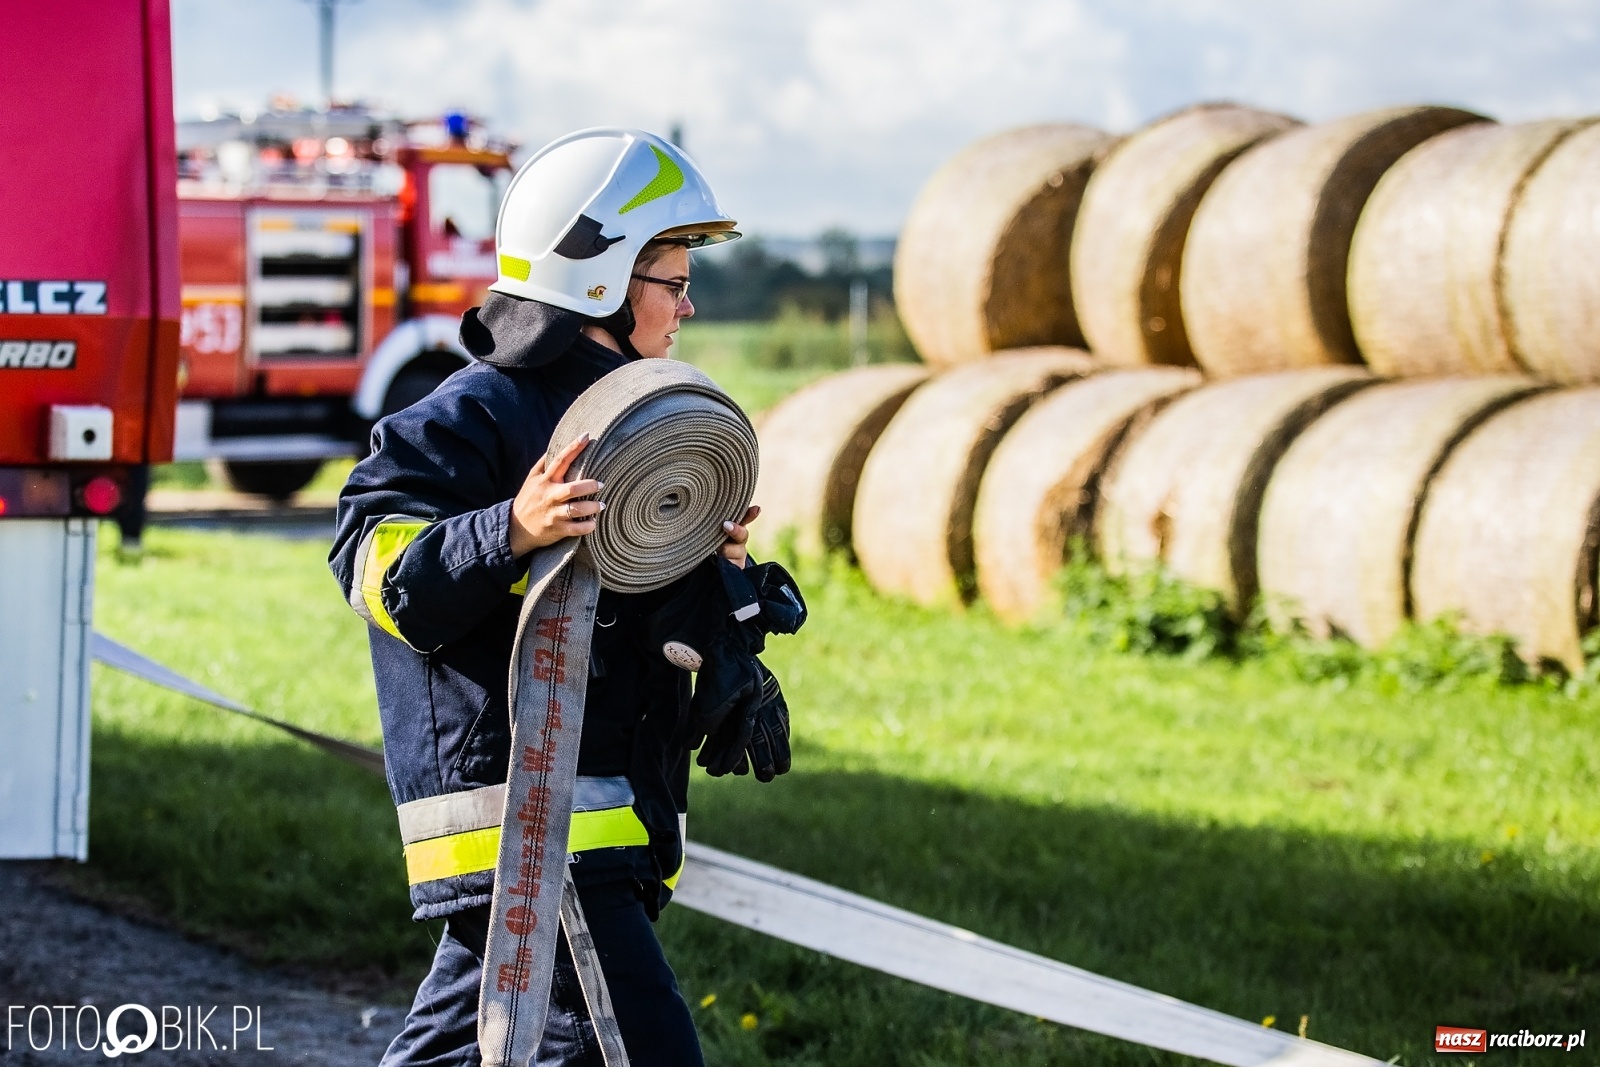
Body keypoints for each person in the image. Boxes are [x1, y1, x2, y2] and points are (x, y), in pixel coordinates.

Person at [329, 129, 787, 1066]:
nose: (688, 305)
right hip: (536, 827)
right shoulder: (474, 413)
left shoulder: (634, 418)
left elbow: (625, 615)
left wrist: (725, 590)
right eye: (673, 280)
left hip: (595, 823)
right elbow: (376, 566)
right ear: (600, 280)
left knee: (464, 1044)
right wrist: (510, 527)